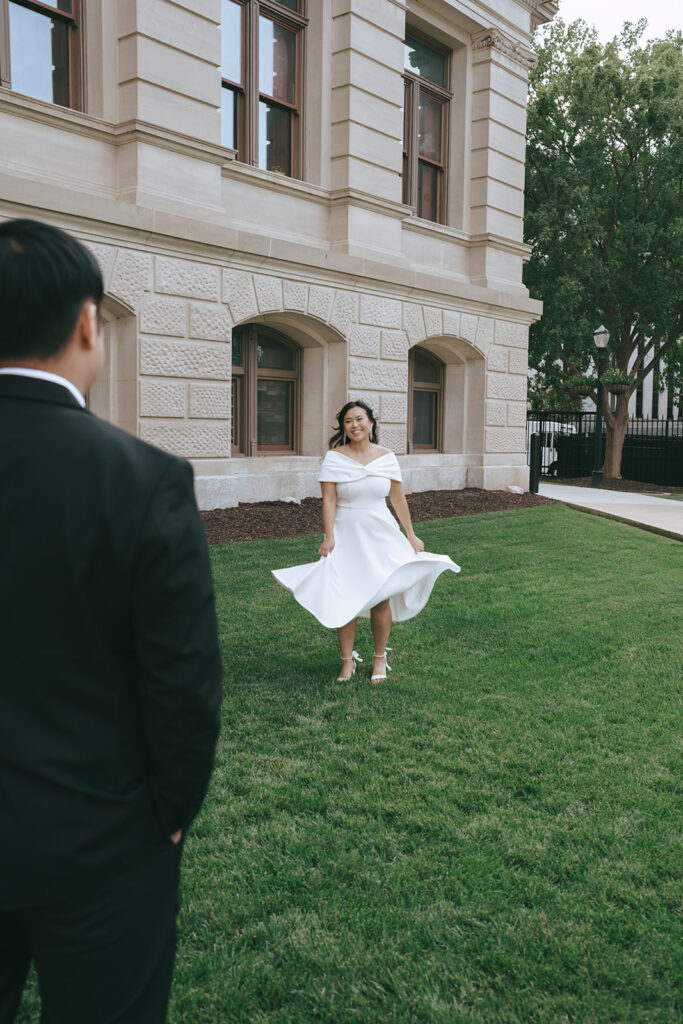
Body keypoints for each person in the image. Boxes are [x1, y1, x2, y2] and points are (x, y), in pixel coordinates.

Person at [0, 219, 223, 1024]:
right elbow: (182, 684)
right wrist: (170, 815)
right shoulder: (144, 480)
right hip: (101, 844)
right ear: (88, 324)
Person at [272, 400, 459, 682]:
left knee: (381, 598)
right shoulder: (334, 458)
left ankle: (380, 659)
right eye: (348, 421)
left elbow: (397, 498)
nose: (355, 425)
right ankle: (347, 663)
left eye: (360, 419)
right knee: (344, 596)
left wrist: (410, 534)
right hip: (346, 533)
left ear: (371, 422)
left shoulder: (387, 457)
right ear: (343, 427)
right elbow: (329, 500)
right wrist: (329, 536)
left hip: (380, 532)